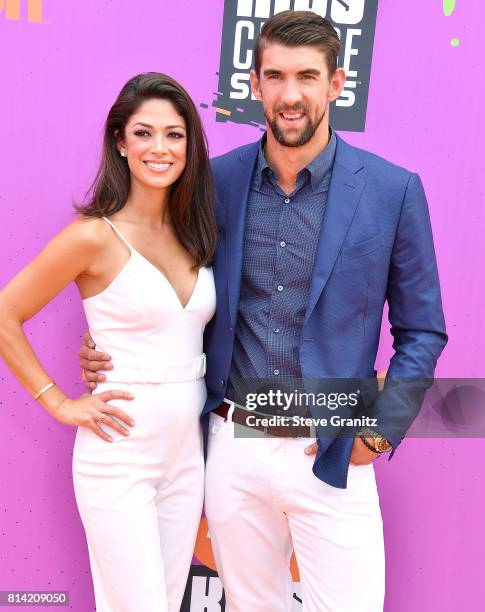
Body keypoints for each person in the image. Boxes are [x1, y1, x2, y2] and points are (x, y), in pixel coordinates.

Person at [80, 11, 447, 612]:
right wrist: (109, 347)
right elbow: (162, 287)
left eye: (308, 76)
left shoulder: (392, 190)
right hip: (233, 443)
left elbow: (423, 330)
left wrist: (380, 432)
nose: (291, 94)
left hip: (331, 443)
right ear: (254, 83)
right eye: (275, 76)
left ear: (337, 84)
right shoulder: (212, 183)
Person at [0, 72, 217, 612]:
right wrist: (57, 399)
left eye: (174, 134)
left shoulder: (200, 233)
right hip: (120, 451)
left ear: (190, 145)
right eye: (143, 133)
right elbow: (5, 313)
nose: (159, 148)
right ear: (120, 142)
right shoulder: (93, 235)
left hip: (188, 450)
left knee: (167, 601)